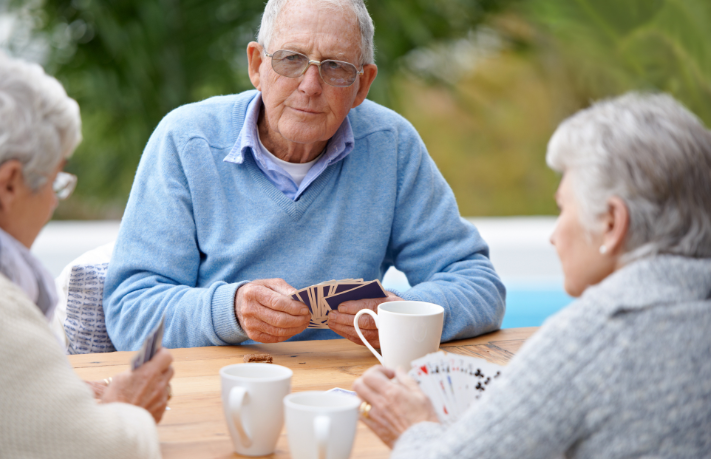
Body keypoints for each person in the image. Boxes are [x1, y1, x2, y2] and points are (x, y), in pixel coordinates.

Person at [104, 0, 506, 350]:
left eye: (335, 67)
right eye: (291, 59)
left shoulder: (391, 145)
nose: (310, 86)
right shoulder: (186, 140)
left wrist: (402, 314)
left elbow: (480, 285)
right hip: (223, 384)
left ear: (362, 84)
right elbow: (129, 311)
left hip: (349, 391)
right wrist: (229, 311)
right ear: (257, 65)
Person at [351, 93, 711, 458]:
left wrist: (411, 428)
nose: (554, 235)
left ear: (612, 223)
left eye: (563, 208)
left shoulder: (593, 339)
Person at [0, 46, 173, 458]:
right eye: (55, 182)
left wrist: (33, 393)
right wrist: (129, 408)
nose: (53, 202)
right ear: (9, 183)